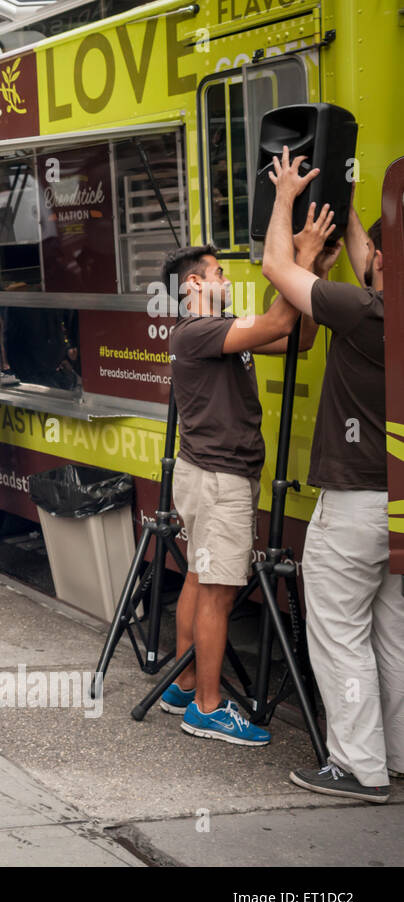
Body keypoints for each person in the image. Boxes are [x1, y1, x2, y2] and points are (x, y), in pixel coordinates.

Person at [158, 208, 332, 746]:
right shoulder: (197, 331)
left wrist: (315, 272)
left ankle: (184, 687)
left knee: (196, 579)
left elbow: (297, 340)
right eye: (217, 274)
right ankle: (207, 709)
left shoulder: (216, 332)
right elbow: (281, 321)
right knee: (217, 591)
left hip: (207, 476)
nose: (225, 279)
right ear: (193, 285)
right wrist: (298, 257)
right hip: (218, 482)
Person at [260, 149, 403, 802]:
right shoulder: (379, 310)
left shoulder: (365, 312)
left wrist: (287, 197)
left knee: (340, 635)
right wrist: (346, 217)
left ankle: (357, 767)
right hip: (396, 504)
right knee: (391, 635)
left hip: (355, 503)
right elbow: (370, 256)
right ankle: (395, 757)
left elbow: (276, 269)